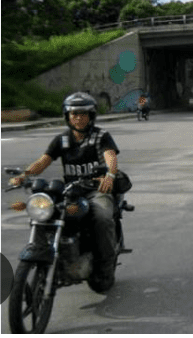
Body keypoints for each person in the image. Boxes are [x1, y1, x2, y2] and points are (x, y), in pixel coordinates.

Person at [9, 92, 120, 292]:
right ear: (67, 116)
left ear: (91, 115)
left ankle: (105, 266)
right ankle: (48, 254)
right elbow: (43, 161)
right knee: (45, 214)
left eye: (83, 114)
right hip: (71, 192)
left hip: (96, 191)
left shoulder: (101, 136)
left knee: (102, 218)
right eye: (74, 114)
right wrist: (24, 175)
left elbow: (110, 156)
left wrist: (110, 175)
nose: (78, 118)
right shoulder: (62, 139)